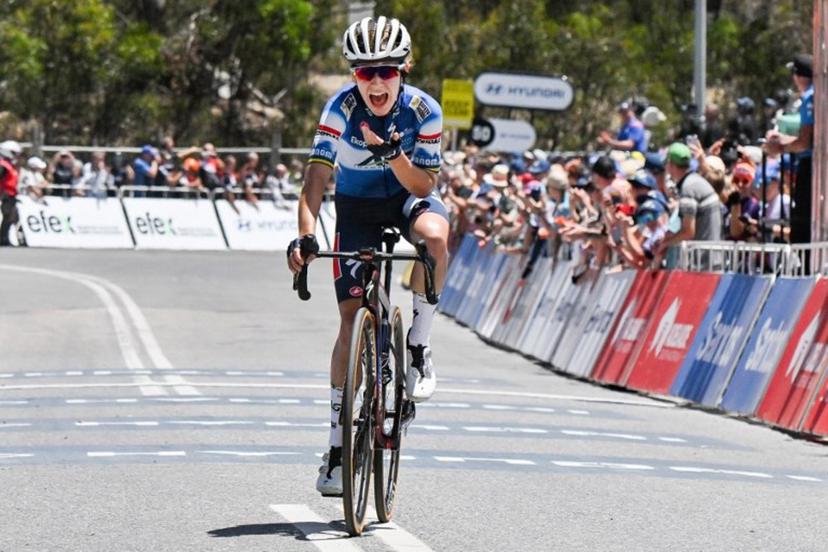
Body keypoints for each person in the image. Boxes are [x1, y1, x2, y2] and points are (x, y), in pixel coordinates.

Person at [286, 16, 449, 497]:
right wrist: (305, 235)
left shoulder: (424, 111)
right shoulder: (340, 107)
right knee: (350, 320)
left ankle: (418, 345)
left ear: (405, 68)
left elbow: (424, 185)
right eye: (364, 71)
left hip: (404, 197)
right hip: (356, 208)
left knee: (435, 238)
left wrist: (396, 153)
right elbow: (315, 178)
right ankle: (338, 445)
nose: (376, 81)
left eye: (386, 70)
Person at [766, 53, 813, 245]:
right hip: (815, 164)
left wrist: (779, 148)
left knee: (802, 221)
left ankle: (809, 269)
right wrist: (785, 140)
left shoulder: (810, 97)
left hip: (811, 167)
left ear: (799, 76)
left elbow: (805, 143)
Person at [655, 143, 722, 259]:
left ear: (670, 164)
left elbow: (688, 232)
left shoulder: (688, 188)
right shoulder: (695, 181)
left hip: (704, 263)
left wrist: (665, 243)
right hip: (712, 259)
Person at [0, 140, 22, 246]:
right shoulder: (3, 165)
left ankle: (4, 237)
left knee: (10, 217)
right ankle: (3, 238)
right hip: (6, 195)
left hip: (11, 195)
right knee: (8, 216)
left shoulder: (9, 164)